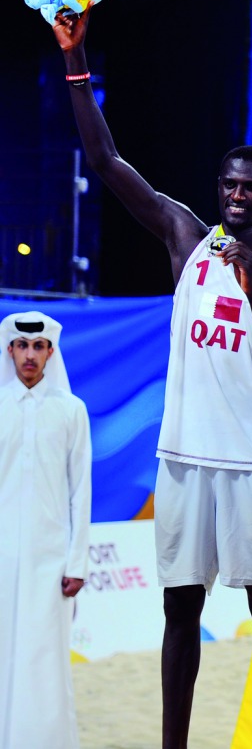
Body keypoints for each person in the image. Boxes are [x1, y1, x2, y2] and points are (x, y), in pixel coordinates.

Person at [50, 9, 252, 748]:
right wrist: (77, 62)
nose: (236, 195)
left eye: (251, 188)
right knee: (178, 611)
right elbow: (105, 162)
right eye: (228, 184)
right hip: (187, 456)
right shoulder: (184, 237)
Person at [0, 311, 91, 749]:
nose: (30, 355)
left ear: (51, 352)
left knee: (45, 658)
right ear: (10, 350)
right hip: (2, 557)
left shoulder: (72, 411)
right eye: (22, 346)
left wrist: (77, 561)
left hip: (52, 559)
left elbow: (81, 492)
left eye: (39, 347)